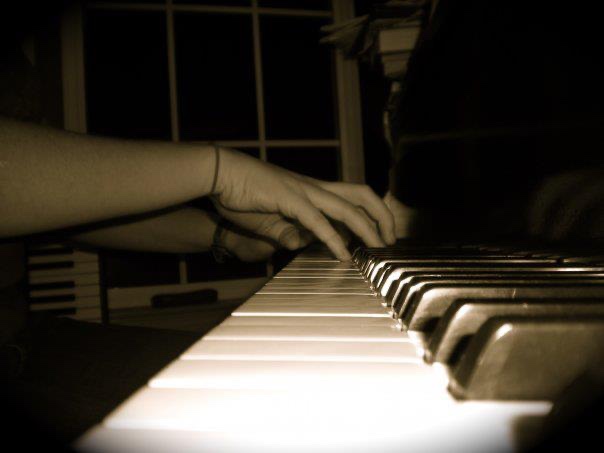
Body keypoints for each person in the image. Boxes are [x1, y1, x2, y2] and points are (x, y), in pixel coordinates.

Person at [0, 3, 396, 446]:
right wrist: (219, 171)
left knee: (298, 385)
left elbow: (57, 208)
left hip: (30, 333)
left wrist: (224, 236)